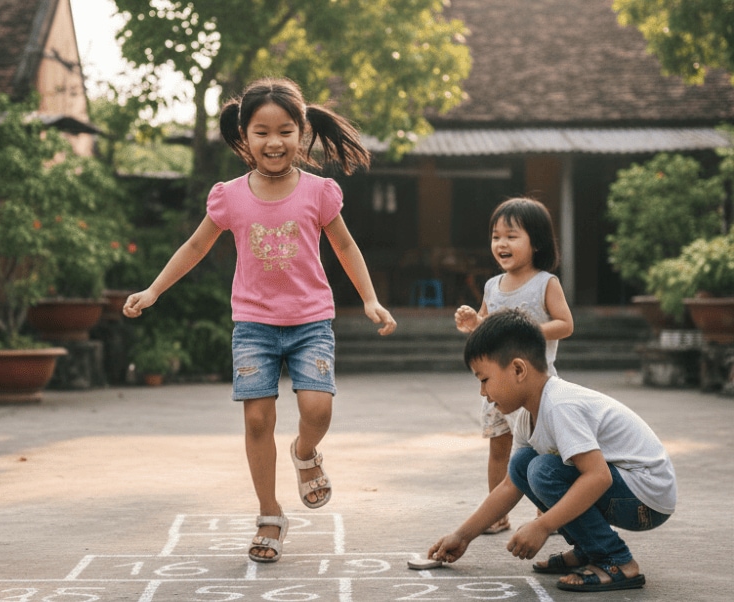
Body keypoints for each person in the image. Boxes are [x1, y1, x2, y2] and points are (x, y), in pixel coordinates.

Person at [124, 77, 396, 563]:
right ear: (244, 137)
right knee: (256, 420)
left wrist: (370, 299)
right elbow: (195, 246)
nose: (274, 142)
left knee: (317, 409)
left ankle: (306, 453)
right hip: (253, 325)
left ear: (303, 132)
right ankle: (270, 514)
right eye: (262, 132)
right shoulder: (229, 196)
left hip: (311, 320)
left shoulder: (319, 193)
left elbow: (346, 246)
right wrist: (153, 290)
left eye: (286, 131)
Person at [429, 309, 676, 592]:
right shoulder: (527, 415)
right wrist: (462, 536)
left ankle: (615, 560)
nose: (483, 393)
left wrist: (543, 526)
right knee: (523, 464)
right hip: (627, 490)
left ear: (519, 370)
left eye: (484, 379)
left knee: (542, 470)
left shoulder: (560, 405)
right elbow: (511, 484)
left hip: (647, 497)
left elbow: (598, 477)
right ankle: (589, 548)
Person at [453, 197, 573, 535]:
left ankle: (545, 513)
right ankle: (496, 512)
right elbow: (488, 329)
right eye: (496, 236)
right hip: (497, 389)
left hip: (534, 390)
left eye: (511, 236)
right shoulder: (493, 286)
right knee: (499, 448)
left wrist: (527, 331)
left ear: (535, 243)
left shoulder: (545, 282)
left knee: (542, 451)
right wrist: (474, 322)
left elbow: (565, 324)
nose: (501, 243)